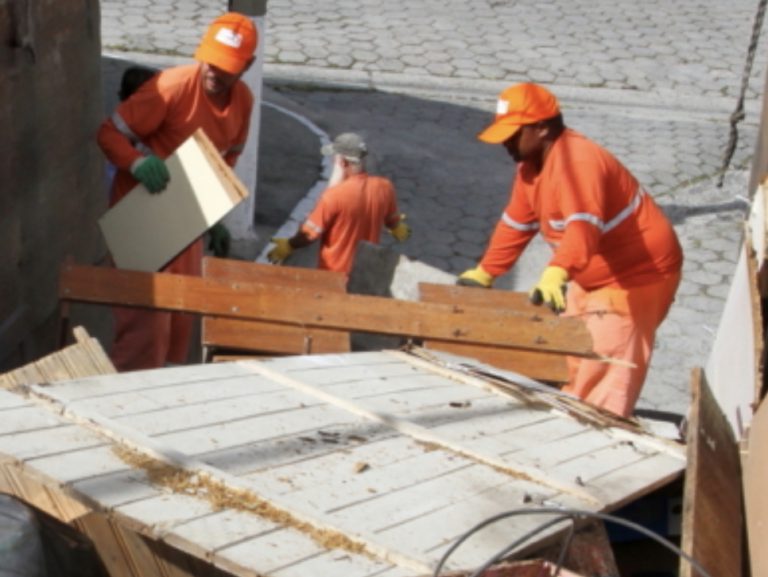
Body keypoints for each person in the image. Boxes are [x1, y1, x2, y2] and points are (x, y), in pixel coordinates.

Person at [458, 82, 683, 418]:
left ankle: (596, 440)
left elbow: (583, 229)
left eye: (513, 133)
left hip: (634, 279)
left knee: (605, 368)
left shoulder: (579, 164)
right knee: (573, 355)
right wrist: (487, 271)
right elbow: (517, 223)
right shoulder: (531, 167)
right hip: (590, 274)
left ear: (542, 128)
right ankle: (571, 414)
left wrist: (556, 272)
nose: (505, 142)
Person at [97, 12, 258, 371]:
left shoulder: (243, 102)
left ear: (246, 66)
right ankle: (126, 400)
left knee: (180, 322)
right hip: (142, 222)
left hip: (184, 223)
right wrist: (137, 162)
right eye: (211, 62)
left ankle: (162, 401)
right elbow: (108, 133)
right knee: (145, 327)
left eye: (226, 67)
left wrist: (211, 218)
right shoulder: (170, 88)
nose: (214, 72)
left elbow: (226, 160)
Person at [267, 132, 411, 276]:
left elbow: (308, 235)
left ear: (343, 163)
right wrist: (397, 226)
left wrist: (288, 245)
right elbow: (392, 220)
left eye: (335, 159)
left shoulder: (333, 197)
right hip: (363, 272)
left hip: (333, 274)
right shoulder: (385, 187)